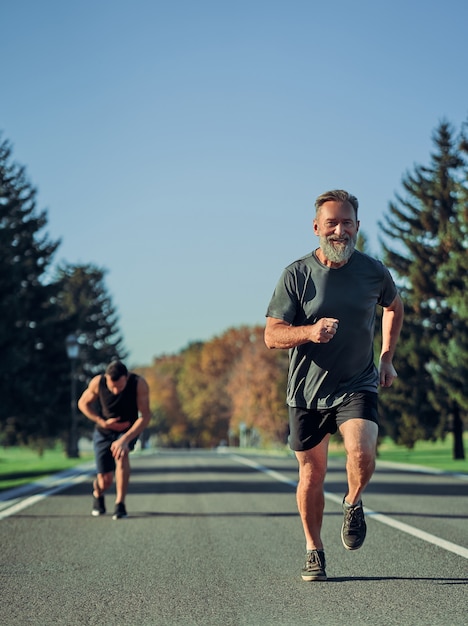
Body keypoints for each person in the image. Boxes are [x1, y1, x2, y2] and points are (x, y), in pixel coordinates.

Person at [264, 189, 404, 581]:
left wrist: (387, 357)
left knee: (362, 452)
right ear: (316, 228)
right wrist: (309, 331)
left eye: (347, 223)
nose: (340, 230)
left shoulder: (373, 271)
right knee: (312, 474)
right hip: (306, 391)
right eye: (332, 223)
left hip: (357, 383)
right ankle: (314, 548)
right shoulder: (296, 274)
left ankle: (353, 501)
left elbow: (394, 306)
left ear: (357, 226)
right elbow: (272, 335)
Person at [78, 360, 151, 520]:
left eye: (120, 386)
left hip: (127, 431)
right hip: (104, 432)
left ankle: (120, 504)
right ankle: (98, 492)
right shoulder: (98, 382)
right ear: (106, 379)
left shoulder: (138, 384)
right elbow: (82, 404)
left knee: (122, 454)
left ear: (126, 377)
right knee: (105, 481)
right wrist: (101, 421)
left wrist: (124, 439)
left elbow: (145, 416)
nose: (116, 391)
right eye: (112, 387)